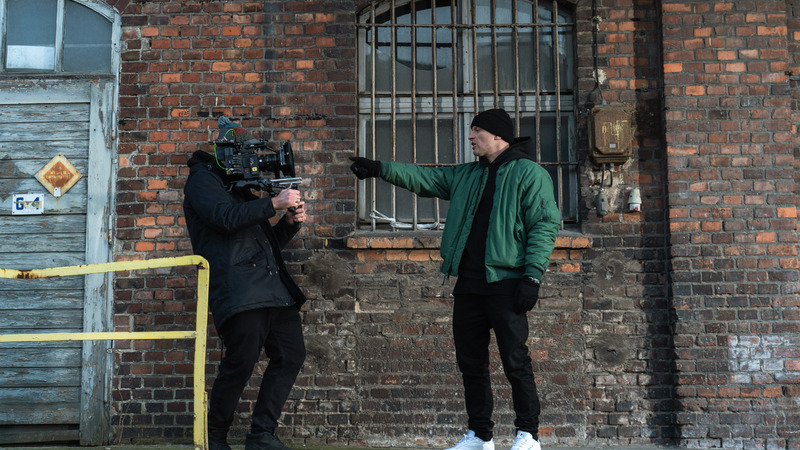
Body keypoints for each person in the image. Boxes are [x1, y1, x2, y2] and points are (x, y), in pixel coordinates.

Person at [349, 109, 560, 450]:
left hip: (507, 282)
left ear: (498, 135)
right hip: (469, 283)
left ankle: (528, 435)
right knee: (471, 363)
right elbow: (424, 178)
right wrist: (379, 169)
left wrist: (532, 277)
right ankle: (480, 436)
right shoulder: (468, 175)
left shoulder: (529, 174)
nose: (470, 136)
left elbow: (544, 225)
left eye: (477, 131)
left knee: (515, 361)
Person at [183, 118, 307, 450]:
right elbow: (224, 218)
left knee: (291, 353)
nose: (252, 162)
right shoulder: (202, 181)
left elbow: (262, 245)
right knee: (240, 363)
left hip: (271, 289)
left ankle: (262, 435)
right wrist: (273, 203)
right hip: (239, 290)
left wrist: (288, 223)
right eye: (243, 154)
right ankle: (214, 436)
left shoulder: (240, 187)